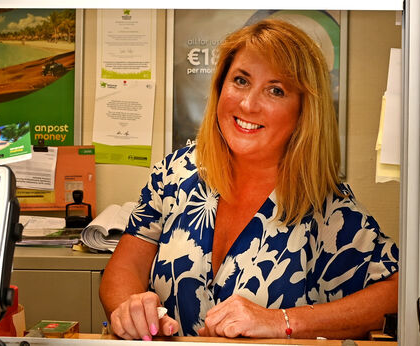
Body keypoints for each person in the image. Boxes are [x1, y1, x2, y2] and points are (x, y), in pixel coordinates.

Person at [99, 19, 399, 340]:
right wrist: (131, 307)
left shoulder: (326, 207)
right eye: (241, 81)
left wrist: (281, 321)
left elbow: (397, 292)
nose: (248, 104)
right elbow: (125, 267)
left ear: (304, 111)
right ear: (220, 87)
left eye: (275, 90)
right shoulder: (174, 173)